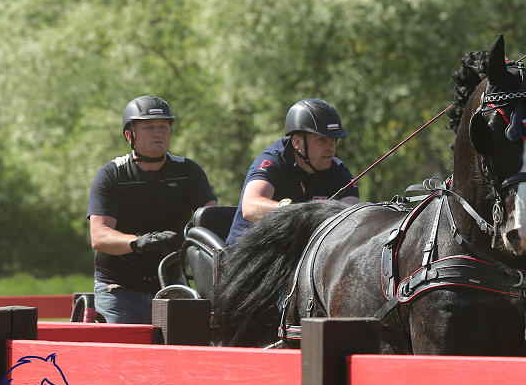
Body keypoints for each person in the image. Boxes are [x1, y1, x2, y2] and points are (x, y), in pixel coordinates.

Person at [87, 96, 217, 324]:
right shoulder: (112, 174)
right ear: (130, 135)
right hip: (119, 291)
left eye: (164, 127)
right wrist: (137, 243)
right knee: (122, 358)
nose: (159, 133)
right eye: (148, 127)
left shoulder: (189, 171)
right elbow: (99, 236)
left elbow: (212, 223)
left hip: (173, 289)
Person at [227, 99, 360, 245]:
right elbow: (250, 207)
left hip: (300, 255)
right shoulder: (273, 161)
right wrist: (300, 213)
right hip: (250, 251)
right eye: (321, 140)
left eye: (333, 140)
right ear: (297, 142)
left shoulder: (338, 170)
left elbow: (352, 212)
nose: (330, 147)